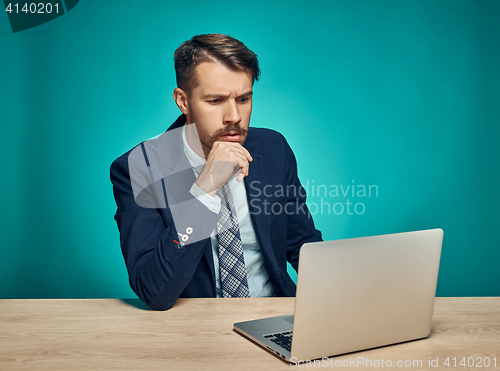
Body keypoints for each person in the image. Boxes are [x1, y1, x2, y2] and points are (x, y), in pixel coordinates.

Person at [110, 34, 322, 310]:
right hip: (193, 331)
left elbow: (302, 244)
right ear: (183, 101)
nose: (233, 116)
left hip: (273, 316)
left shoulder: (273, 148)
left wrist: (339, 295)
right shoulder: (139, 168)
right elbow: (154, 290)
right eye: (215, 100)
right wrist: (204, 190)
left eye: (243, 99)